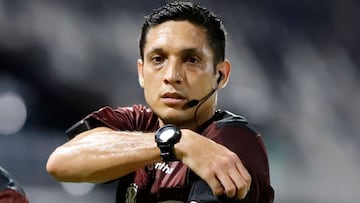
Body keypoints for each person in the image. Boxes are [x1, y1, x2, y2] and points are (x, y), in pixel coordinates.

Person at [46, 1, 274, 203]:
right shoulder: (139, 122)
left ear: (221, 75)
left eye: (191, 60)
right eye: (158, 59)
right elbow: (60, 162)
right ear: (141, 72)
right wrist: (175, 142)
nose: (172, 75)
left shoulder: (231, 141)